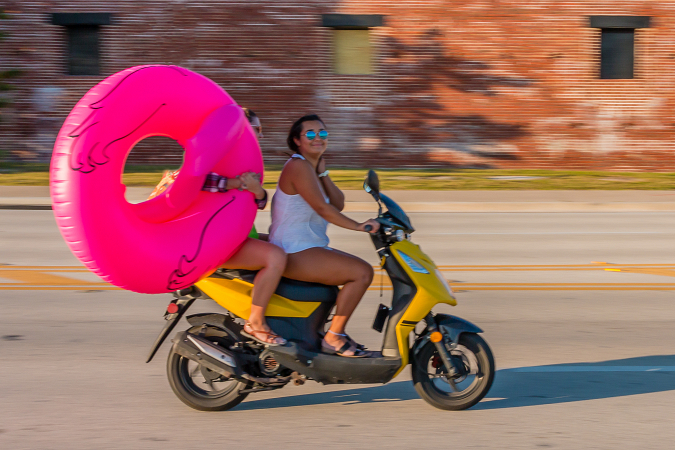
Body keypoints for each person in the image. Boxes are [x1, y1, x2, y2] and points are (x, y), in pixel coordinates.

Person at [150, 108, 287, 345]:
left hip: (240, 235)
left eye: (260, 131)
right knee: (275, 257)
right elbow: (193, 179)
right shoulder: (216, 155)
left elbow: (259, 201)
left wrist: (257, 190)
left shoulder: (247, 159)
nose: (261, 137)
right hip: (214, 241)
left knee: (286, 246)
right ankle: (256, 321)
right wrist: (234, 183)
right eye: (256, 130)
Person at [269, 114, 380, 358]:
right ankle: (333, 336)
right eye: (310, 134)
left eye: (322, 133)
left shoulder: (310, 169)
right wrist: (359, 226)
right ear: (297, 140)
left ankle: (326, 333)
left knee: (355, 272)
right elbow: (322, 208)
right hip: (293, 249)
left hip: (307, 246)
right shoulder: (297, 166)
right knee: (361, 273)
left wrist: (323, 172)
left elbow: (337, 203)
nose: (317, 137)